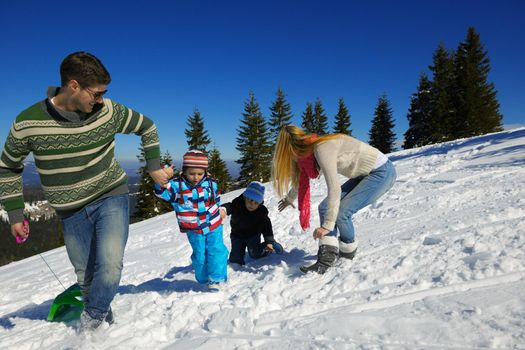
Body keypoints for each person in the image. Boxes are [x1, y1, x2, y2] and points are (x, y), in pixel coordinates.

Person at [0, 52, 169, 330]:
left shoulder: (109, 111)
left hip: (110, 194)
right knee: (86, 277)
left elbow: (147, 127)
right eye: (97, 93)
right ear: (74, 85)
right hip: (70, 212)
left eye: (104, 93)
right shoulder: (27, 123)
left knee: (111, 264)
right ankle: (105, 323)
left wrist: (153, 166)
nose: (101, 100)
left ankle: (90, 325)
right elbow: (7, 167)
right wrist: (16, 214)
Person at [272, 125, 396, 274]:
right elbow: (300, 178)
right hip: (362, 175)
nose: (291, 158)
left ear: (292, 147)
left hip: (381, 172)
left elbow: (334, 189)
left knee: (342, 212)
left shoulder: (322, 148)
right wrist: (289, 198)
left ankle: (347, 254)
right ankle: (326, 258)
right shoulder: (308, 152)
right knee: (325, 208)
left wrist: (327, 226)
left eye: (288, 154)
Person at [154, 150, 228, 292]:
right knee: (200, 255)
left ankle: (216, 279)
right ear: (185, 171)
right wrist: (163, 178)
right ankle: (203, 278)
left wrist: (219, 210)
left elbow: (216, 198)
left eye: (200, 174)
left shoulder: (211, 183)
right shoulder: (178, 186)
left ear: (205, 172)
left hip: (213, 224)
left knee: (216, 250)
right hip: (194, 228)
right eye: (192, 173)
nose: (196, 177)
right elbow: (161, 192)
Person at [220, 181, 283, 266]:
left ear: (259, 203)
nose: (252, 204)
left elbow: (267, 227)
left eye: (256, 203)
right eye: (250, 200)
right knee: (235, 259)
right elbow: (229, 206)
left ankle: (269, 245)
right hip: (237, 235)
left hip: (253, 235)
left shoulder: (261, 212)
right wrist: (223, 210)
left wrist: (269, 241)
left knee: (255, 254)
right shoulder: (238, 204)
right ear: (245, 197)